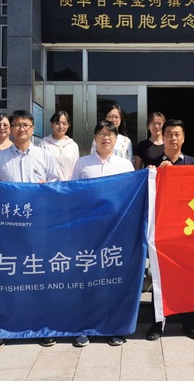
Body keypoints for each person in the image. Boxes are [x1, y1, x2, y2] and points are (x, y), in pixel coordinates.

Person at [0, 109, 62, 351]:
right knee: (8, 279)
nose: (21, 128)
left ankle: (43, 327)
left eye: (26, 125)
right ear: (11, 128)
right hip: (8, 230)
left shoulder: (45, 156)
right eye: (17, 124)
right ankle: (3, 328)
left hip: (38, 228)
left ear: (33, 128)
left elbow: (59, 185)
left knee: (39, 277)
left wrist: (47, 188)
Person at [70, 121, 134, 347]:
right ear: (95, 138)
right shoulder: (82, 163)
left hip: (116, 232)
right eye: (101, 134)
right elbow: (72, 194)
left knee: (114, 280)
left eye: (110, 134)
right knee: (87, 280)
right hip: (88, 232)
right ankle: (84, 327)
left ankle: (115, 328)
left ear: (116, 139)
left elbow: (132, 197)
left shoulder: (125, 165)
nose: (106, 138)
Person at [146, 119, 194, 342]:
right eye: (169, 134)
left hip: (187, 228)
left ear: (183, 138)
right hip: (162, 228)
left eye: (177, 134)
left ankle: (189, 323)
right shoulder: (153, 162)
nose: (173, 138)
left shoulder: (191, 161)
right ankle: (157, 323)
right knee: (160, 276)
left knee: (187, 277)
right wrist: (154, 173)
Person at [39, 111, 79, 180]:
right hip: (50, 185)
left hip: (68, 185)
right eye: (57, 123)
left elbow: (75, 168)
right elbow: (40, 166)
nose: (61, 126)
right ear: (52, 124)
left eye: (64, 123)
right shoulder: (44, 144)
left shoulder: (73, 145)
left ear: (68, 125)